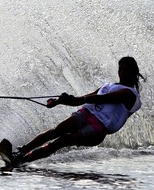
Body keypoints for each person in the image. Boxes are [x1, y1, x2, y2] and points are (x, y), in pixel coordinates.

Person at [10, 56, 145, 167]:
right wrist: (60, 101)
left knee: (61, 142)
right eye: (120, 69)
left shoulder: (131, 94)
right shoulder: (109, 85)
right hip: (86, 114)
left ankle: (23, 161)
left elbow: (103, 98)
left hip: (98, 128)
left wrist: (75, 100)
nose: (122, 73)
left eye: (126, 70)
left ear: (134, 72)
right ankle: (20, 152)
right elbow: (87, 98)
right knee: (56, 131)